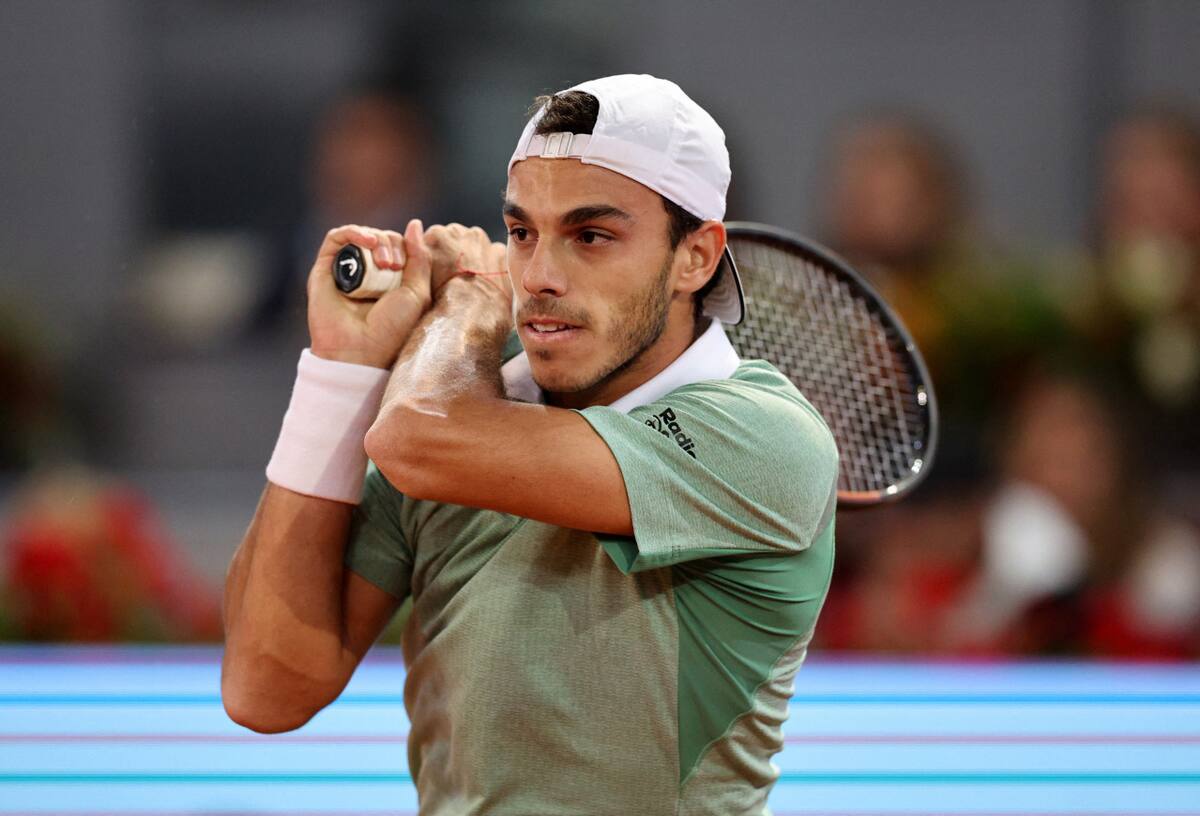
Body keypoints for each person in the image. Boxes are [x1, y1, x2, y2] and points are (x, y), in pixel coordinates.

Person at [221, 74, 839, 814]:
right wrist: (338, 371)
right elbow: (265, 689)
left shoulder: (765, 436)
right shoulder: (461, 404)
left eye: (591, 236)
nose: (538, 276)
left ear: (697, 257)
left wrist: (470, 304)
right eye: (521, 233)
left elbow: (417, 439)